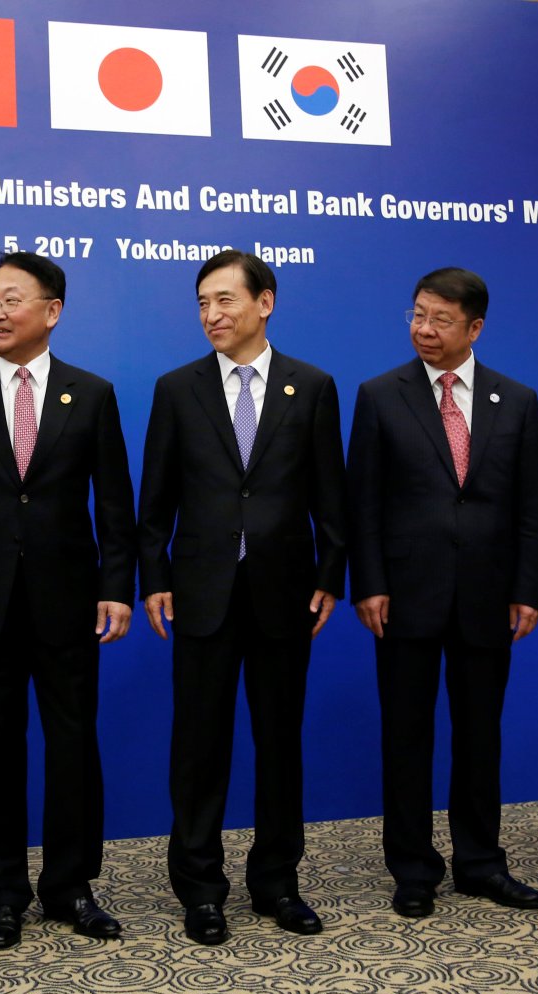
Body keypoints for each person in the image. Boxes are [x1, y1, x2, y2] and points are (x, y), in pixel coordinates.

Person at [0, 251, 137, 949]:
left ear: (52, 311)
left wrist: (116, 589)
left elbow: (115, 504)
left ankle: (71, 887)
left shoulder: (90, 393)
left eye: (11, 299)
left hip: (68, 601)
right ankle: (3, 892)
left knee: (73, 746)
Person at [137, 250, 346, 944]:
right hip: (202, 594)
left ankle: (277, 883)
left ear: (266, 302)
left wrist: (330, 576)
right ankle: (200, 890)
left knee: (279, 744)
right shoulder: (177, 388)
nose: (211, 315)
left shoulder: (311, 386)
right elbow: (155, 503)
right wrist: (155, 579)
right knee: (198, 749)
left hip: (286, 595)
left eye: (224, 300)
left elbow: (330, 497)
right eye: (201, 303)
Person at [347, 267, 538, 919]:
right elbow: (364, 502)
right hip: (405, 595)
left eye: (440, 320)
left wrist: (528, 589)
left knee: (479, 735)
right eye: (417, 315)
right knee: (406, 736)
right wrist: (369, 583)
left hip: (489, 596)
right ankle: (413, 868)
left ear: (475, 327)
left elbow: (529, 508)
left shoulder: (515, 400)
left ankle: (481, 863)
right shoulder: (381, 395)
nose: (424, 330)